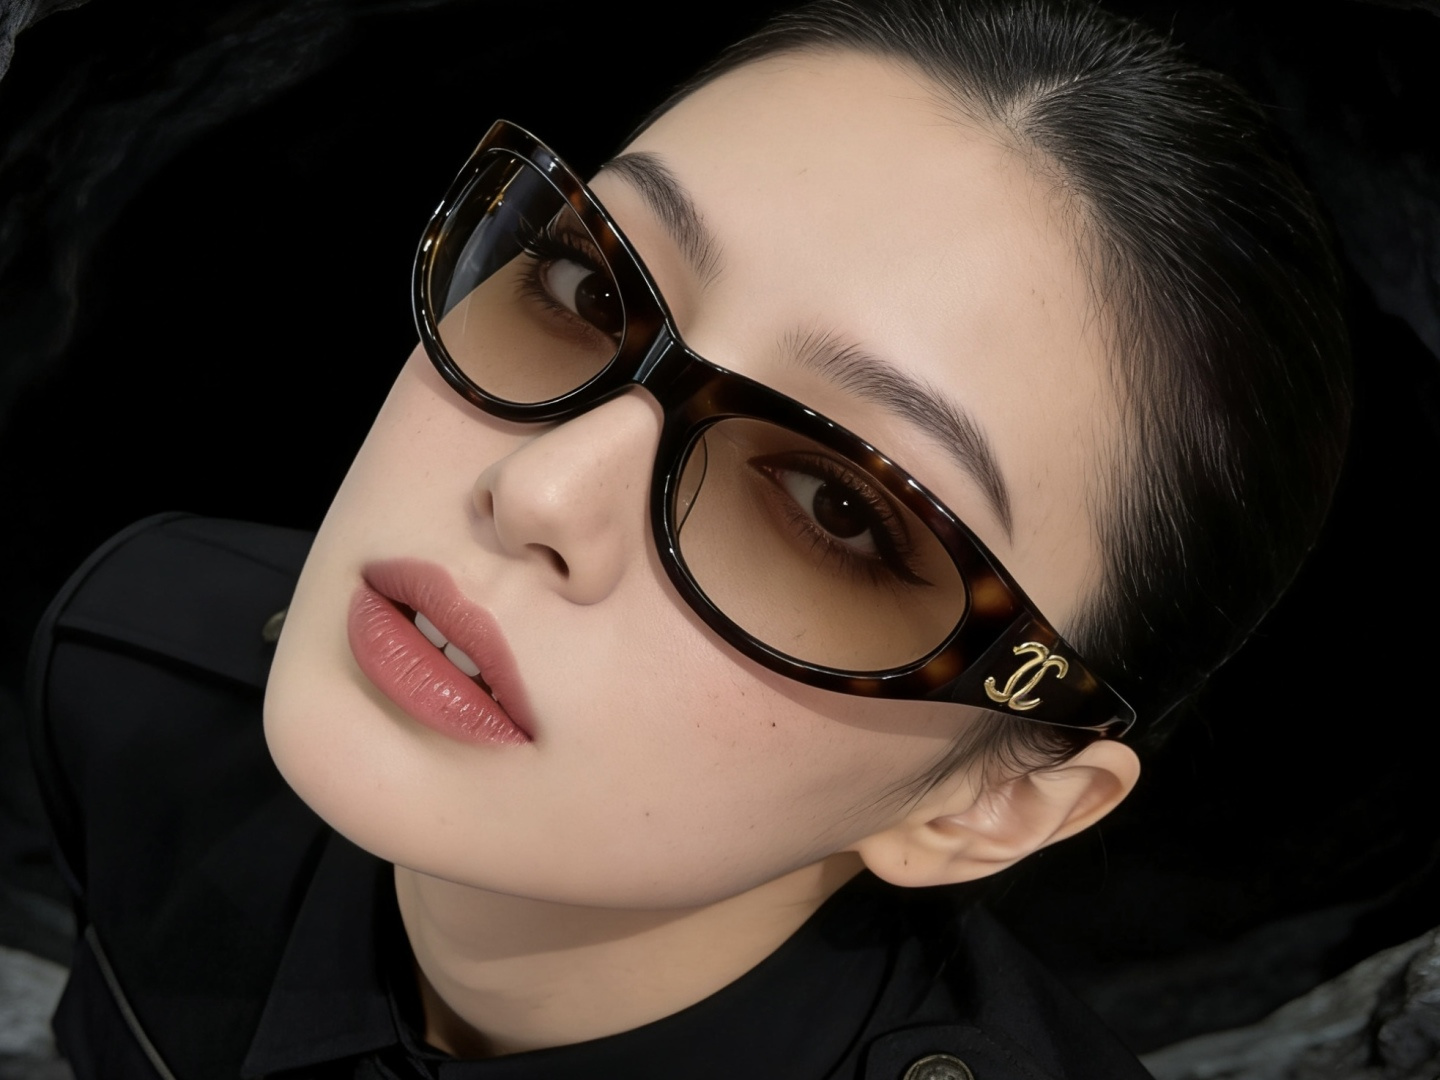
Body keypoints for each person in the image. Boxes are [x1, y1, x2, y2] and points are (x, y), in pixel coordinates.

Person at [24, 0, 1351, 1076]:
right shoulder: (131, 672)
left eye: (839, 509)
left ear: (990, 802)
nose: (542, 491)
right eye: (584, 284)